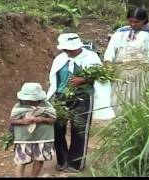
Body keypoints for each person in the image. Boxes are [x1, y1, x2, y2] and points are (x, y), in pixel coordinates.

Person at [46, 33, 107, 172]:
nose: (69, 52)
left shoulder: (91, 57)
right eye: (66, 50)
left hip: (83, 96)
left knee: (79, 129)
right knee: (57, 128)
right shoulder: (60, 58)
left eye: (71, 49)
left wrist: (84, 80)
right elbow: (55, 79)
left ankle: (76, 163)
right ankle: (62, 159)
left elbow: (101, 76)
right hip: (61, 96)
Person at [103, 7, 149, 115]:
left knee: (142, 100)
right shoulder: (120, 33)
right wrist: (108, 62)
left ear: (144, 20)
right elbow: (111, 49)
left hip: (144, 73)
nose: (133, 24)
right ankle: (121, 122)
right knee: (118, 99)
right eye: (130, 21)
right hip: (122, 72)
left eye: (137, 22)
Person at [9, 82, 57, 177]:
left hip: (43, 138)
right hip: (24, 138)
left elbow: (54, 119)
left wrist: (42, 119)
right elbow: (12, 121)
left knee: (39, 159)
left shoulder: (47, 106)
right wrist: (23, 121)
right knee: (21, 160)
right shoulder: (18, 106)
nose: (31, 101)